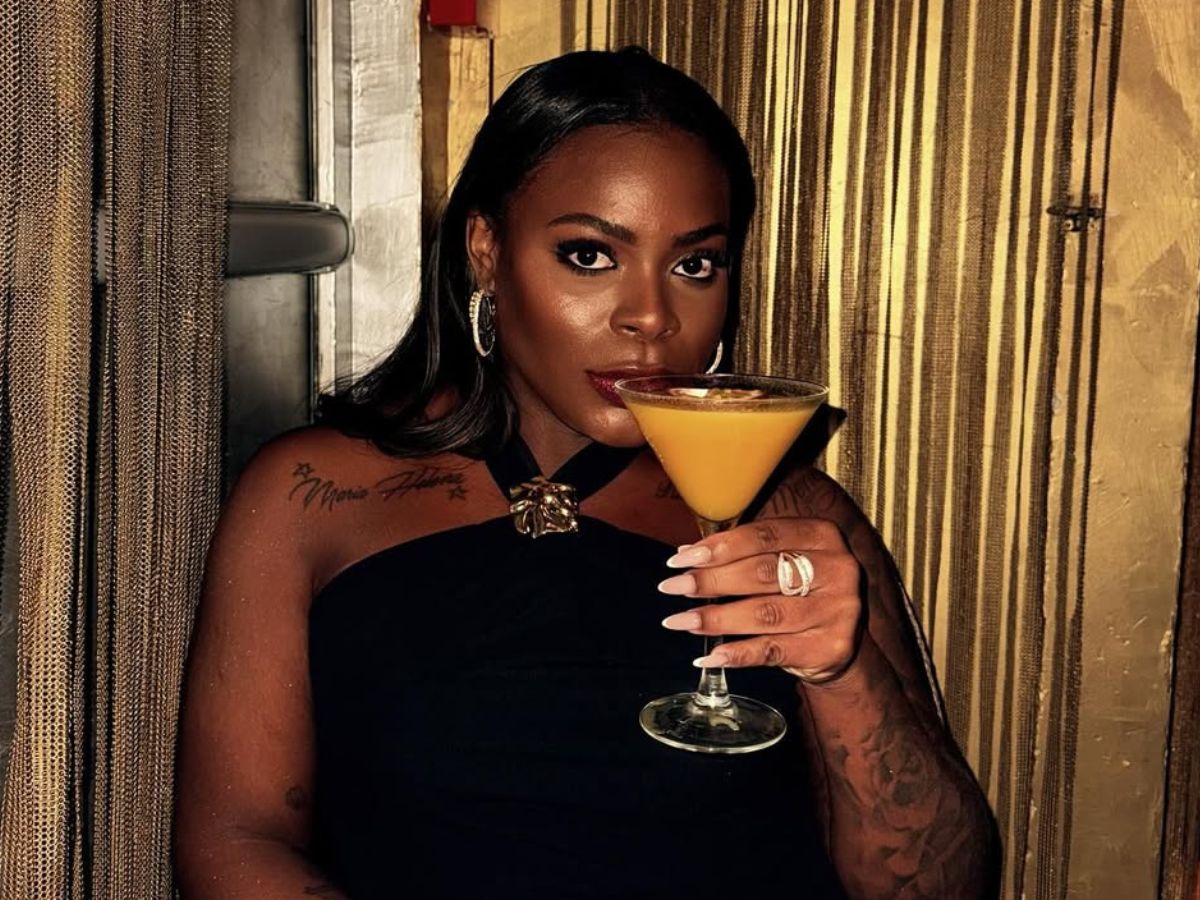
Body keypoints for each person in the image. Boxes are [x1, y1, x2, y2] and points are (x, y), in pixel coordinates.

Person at [174, 47, 999, 900]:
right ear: (486, 251)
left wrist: (844, 671)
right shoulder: (313, 493)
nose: (651, 317)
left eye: (695, 264)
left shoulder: (790, 512)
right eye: (590, 255)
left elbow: (946, 885)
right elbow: (234, 846)